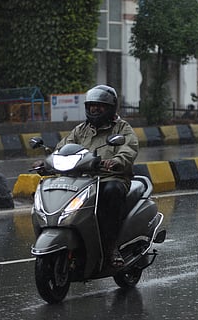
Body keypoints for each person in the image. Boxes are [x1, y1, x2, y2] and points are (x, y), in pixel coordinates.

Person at [56, 84, 139, 268]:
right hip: (83, 180)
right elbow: (63, 147)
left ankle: (111, 247)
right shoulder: (80, 130)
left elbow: (129, 148)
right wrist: (48, 161)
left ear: (110, 108)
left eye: (100, 106)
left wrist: (116, 160)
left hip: (110, 178)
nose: (95, 109)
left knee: (111, 191)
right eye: (92, 105)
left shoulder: (122, 128)